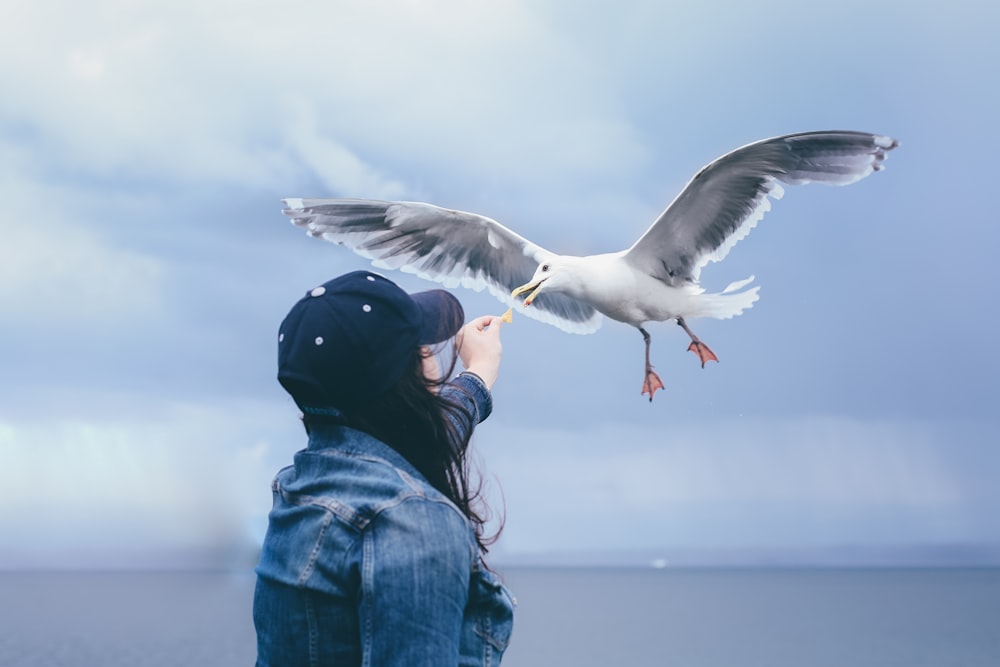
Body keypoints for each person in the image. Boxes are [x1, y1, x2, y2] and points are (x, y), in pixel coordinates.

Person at [253, 270, 515, 667]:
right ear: (405, 381)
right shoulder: (411, 521)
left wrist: (477, 375)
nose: (431, 354)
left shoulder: (304, 486)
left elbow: (422, 438)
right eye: (422, 349)